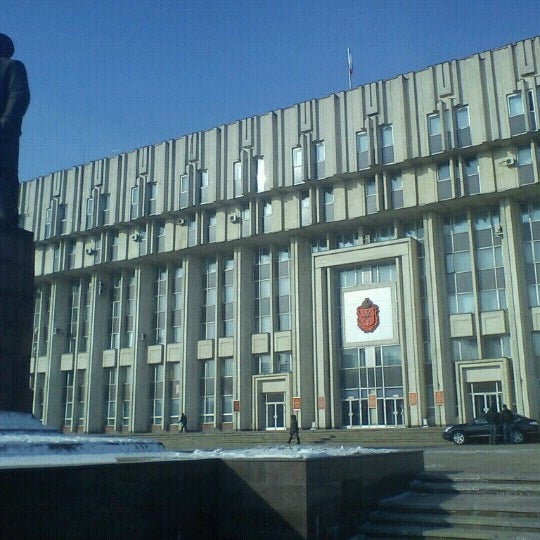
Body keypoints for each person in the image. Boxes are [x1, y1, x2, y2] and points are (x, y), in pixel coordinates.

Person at [0, 33, 30, 227]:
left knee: (5, 174)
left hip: (4, 134)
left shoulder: (12, 66)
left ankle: (6, 217)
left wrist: (6, 122)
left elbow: (19, 96)